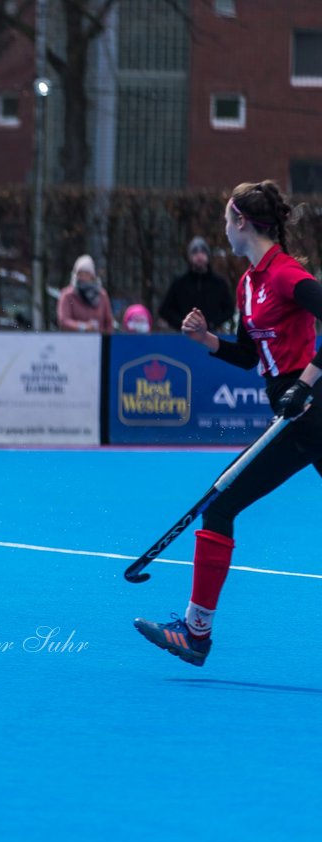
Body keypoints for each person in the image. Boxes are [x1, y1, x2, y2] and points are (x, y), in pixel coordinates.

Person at [134, 180, 322, 667]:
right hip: (293, 414)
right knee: (221, 502)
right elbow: (247, 355)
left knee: (219, 502)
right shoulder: (248, 283)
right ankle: (195, 634)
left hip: (310, 409)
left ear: (241, 221)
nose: (222, 227)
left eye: (224, 218)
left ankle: (196, 635)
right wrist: (206, 340)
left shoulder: (285, 274)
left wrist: (306, 382)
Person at [157, 236, 234, 333]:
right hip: (184, 338)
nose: (199, 256)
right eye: (195, 252)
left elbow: (229, 309)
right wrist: (182, 323)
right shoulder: (179, 283)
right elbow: (164, 310)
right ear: (190, 257)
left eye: (202, 252)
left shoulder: (219, 283)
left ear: (207, 255)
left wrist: (213, 323)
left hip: (212, 336)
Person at [56, 255, 115, 332]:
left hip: (98, 340)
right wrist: (82, 327)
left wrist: (106, 339)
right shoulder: (67, 295)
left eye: (86, 273)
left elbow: (109, 322)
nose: (83, 277)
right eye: (80, 273)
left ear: (92, 275)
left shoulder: (102, 295)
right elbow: (63, 321)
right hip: (73, 340)